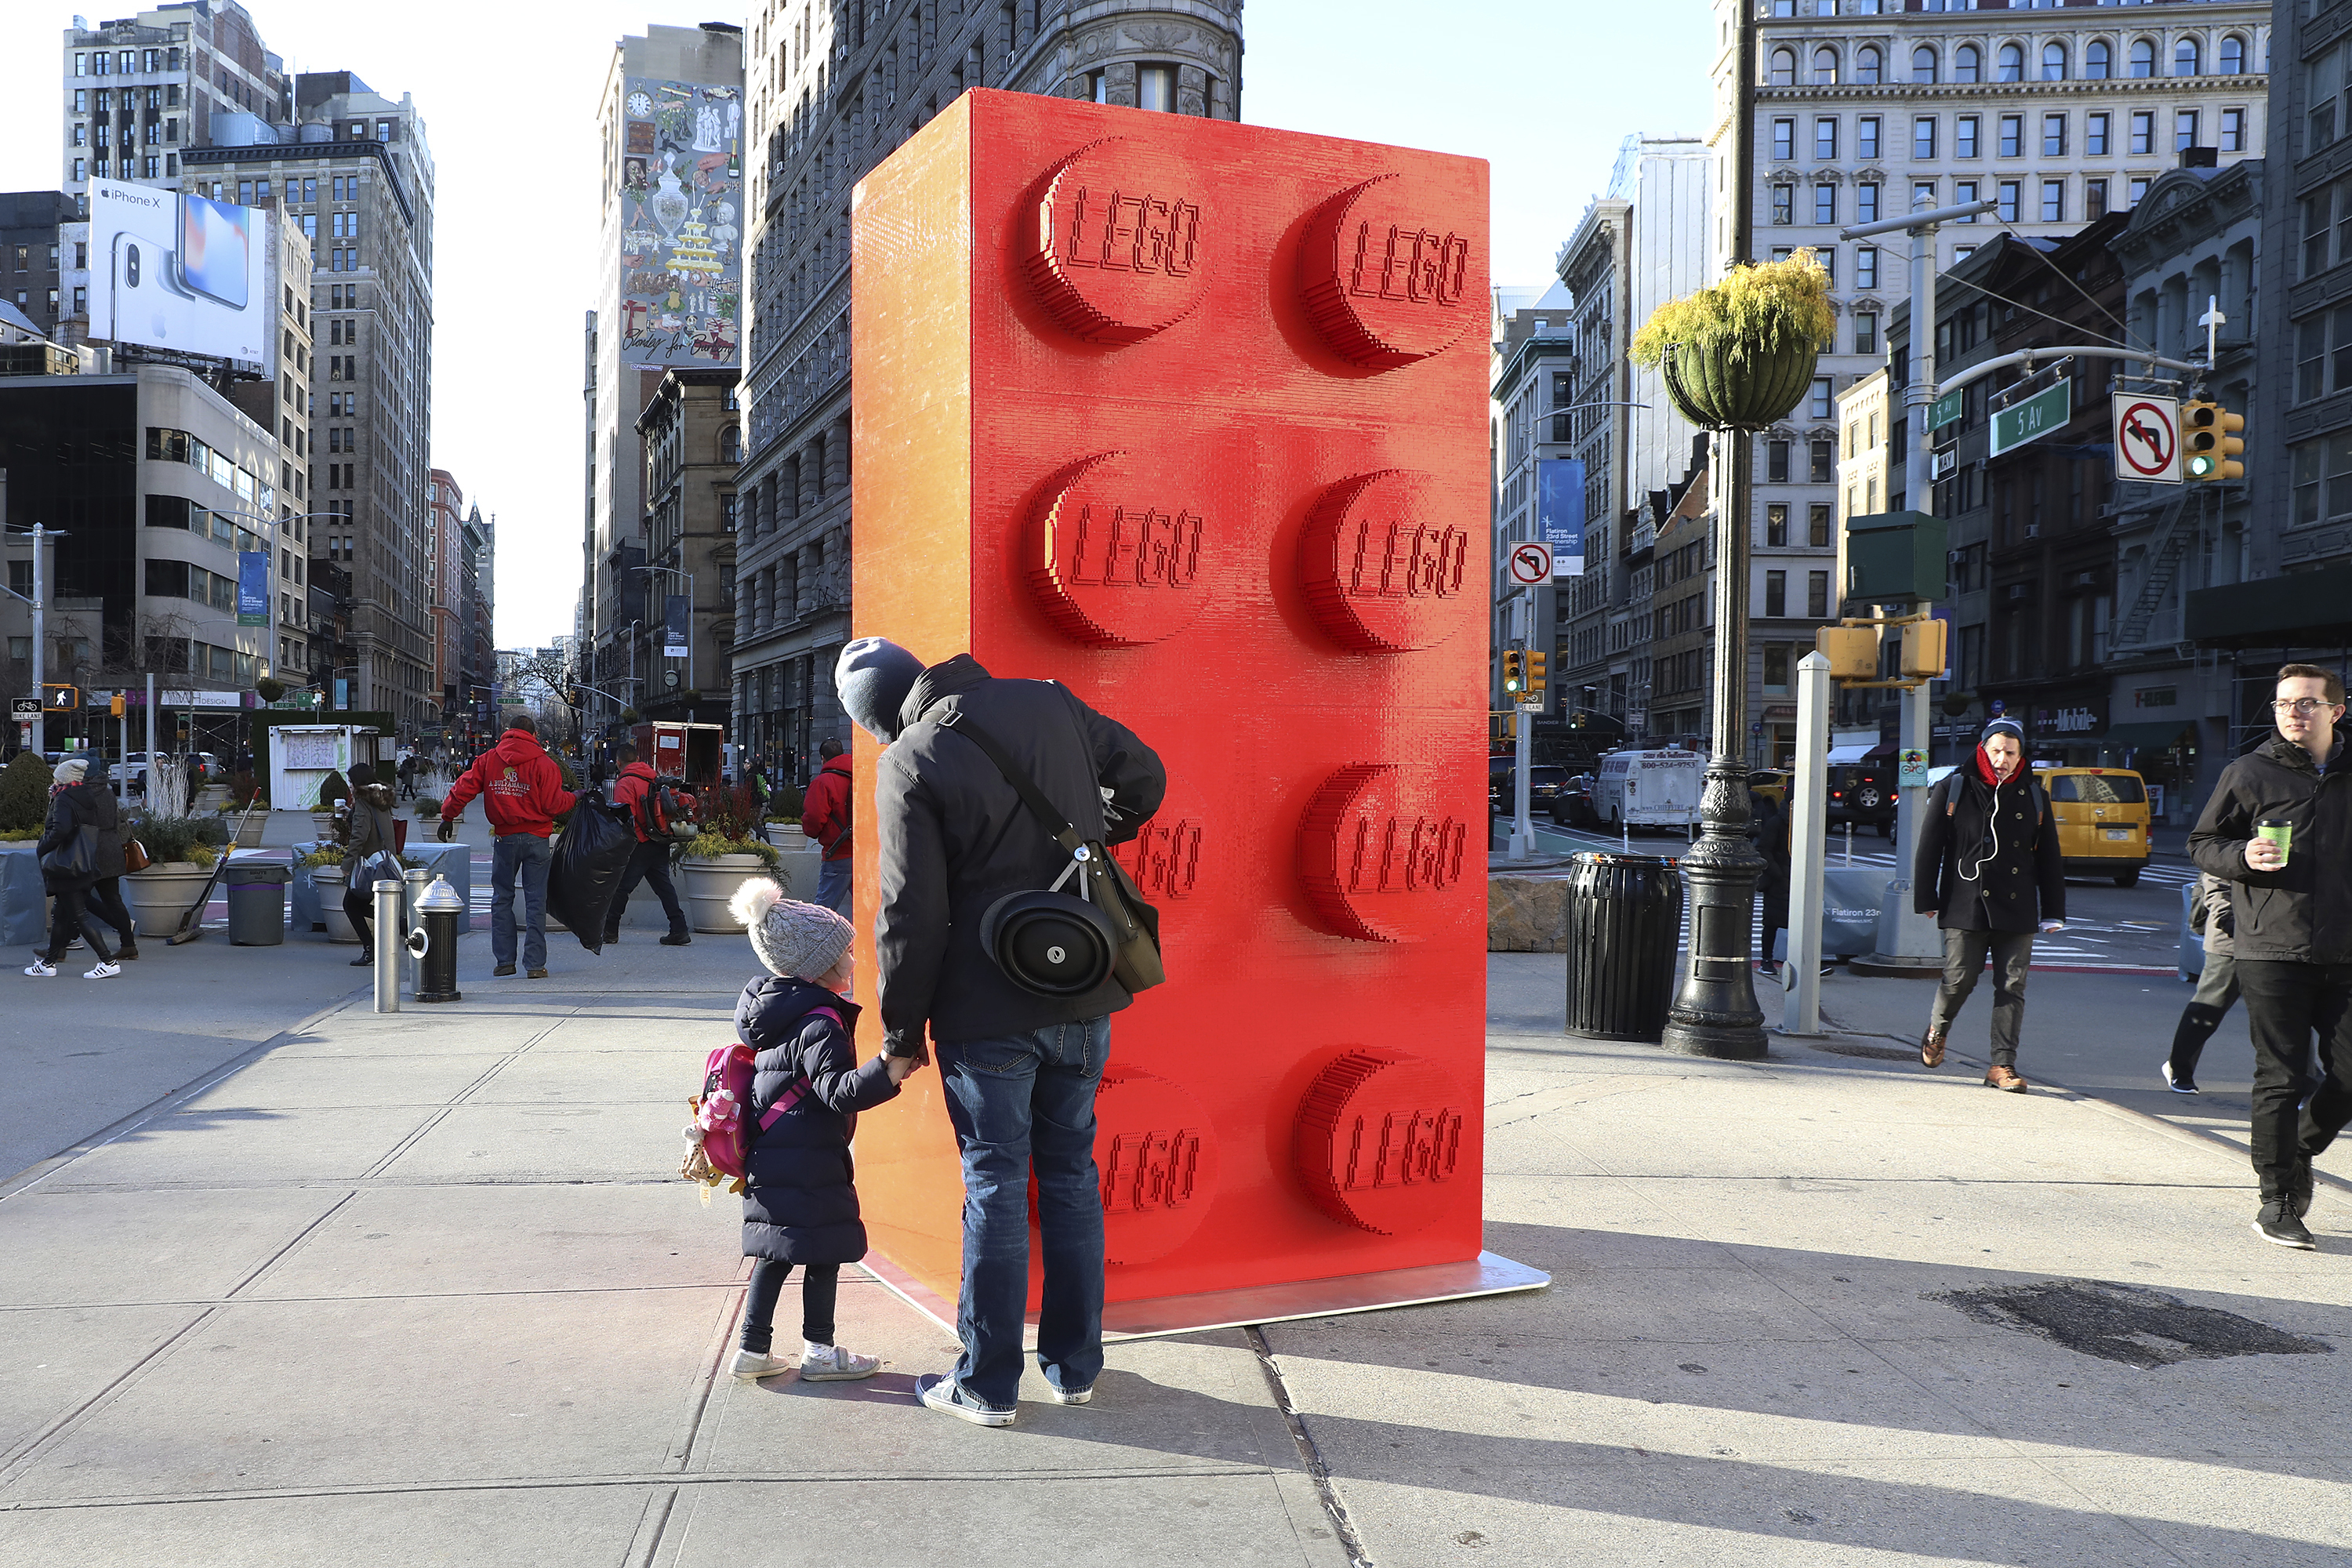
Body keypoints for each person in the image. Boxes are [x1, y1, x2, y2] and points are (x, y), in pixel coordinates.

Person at [840, 637, 1166, 1427]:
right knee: (1070, 1173)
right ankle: (1074, 1366)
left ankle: (986, 1383)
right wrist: (1091, 838)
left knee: (994, 1183)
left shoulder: (910, 759)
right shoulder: (1047, 698)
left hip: (985, 1008)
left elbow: (909, 915)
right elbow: (1146, 778)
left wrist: (900, 1035)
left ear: (880, 717)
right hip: (1084, 982)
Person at [724, 880, 917, 1381]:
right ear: (819, 966)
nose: (853, 962)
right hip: (811, 1156)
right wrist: (890, 1070)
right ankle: (820, 1351)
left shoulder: (771, 1012)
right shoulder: (820, 1023)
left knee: (775, 1249)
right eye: (845, 954)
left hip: (771, 1153)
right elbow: (839, 1091)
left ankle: (752, 1351)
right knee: (823, 1253)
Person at [2188, 663, 2352, 1250]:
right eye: (2284, 703)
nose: (2292, 713)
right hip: (2271, 946)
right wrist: (2243, 857)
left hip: (2346, 951)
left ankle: (2301, 1146)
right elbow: (2204, 842)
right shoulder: (2248, 771)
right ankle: (2278, 1200)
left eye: (2306, 703)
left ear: (2336, 710)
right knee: (2281, 1075)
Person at [1914, 718, 2065, 1091]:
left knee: (2012, 985)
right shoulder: (1955, 788)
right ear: (1983, 748)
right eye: (1996, 750)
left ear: (2020, 755)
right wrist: (1926, 898)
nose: (2003, 759)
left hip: (2018, 906)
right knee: (1960, 979)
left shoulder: (2034, 794)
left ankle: (2002, 1066)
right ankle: (1937, 1029)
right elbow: (1930, 846)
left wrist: (2054, 911)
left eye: (2011, 753)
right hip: (1965, 900)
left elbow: (2049, 856)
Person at [439, 713, 576, 979]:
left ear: (507, 732)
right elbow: (553, 805)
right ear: (534, 735)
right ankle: (535, 965)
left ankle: (504, 962)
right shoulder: (544, 763)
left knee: (502, 898)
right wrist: (574, 797)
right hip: (537, 838)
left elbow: (463, 787)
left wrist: (447, 816)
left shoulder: (490, 759)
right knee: (536, 901)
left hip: (505, 838)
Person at [27, 757, 120, 979]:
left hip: (65, 865)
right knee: (60, 915)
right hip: (83, 862)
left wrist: (42, 847)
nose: (54, 782)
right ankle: (48, 963)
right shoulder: (85, 795)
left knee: (79, 916)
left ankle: (108, 961)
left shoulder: (64, 799)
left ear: (64, 779)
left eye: (57, 778)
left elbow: (61, 829)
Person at [605, 742, 693, 947]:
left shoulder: (626, 782)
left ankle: (609, 930)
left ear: (618, 763)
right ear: (637, 759)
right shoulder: (653, 776)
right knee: (664, 887)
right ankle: (679, 929)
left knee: (622, 887)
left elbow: (625, 817)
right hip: (659, 839)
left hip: (640, 842)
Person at [2165, 873, 2238, 1095]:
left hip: (2281, 936)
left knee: (2284, 1012)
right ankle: (2179, 1068)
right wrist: (2228, 918)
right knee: (2211, 1005)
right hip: (2232, 936)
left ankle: (2305, 1080)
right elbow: (2216, 879)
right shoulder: (2234, 840)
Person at [337, 763, 401, 966]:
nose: (349, 785)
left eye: (350, 781)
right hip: (385, 859)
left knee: (351, 905)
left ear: (357, 781)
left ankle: (371, 948)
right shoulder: (380, 797)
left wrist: (347, 864)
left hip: (370, 864)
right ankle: (402, 927)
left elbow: (359, 836)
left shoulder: (364, 802)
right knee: (363, 904)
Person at [82, 759, 138, 963]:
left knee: (76, 896)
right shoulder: (107, 792)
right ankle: (128, 943)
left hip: (91, 850)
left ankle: (59, 949)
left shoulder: (83, 793)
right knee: (113, 898)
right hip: (111, 847)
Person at [800, 738, 855, 914]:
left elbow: (814, 820)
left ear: (823, 758)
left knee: (823, 912)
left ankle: (816, 942)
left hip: (837, 852)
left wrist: (812, 831)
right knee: (873, 909)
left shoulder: (823, 782)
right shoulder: (860, 776)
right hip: (863, 853)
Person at [1753, 789, 1791, 983]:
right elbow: (1764, 848)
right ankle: (1766, 959)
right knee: (1773, 921)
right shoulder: (1778, 822)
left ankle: (1808, 960)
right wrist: (1777, 872)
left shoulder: (1805, 820)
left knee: (1805, 921)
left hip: (1794, 876)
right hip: (1779, 879)